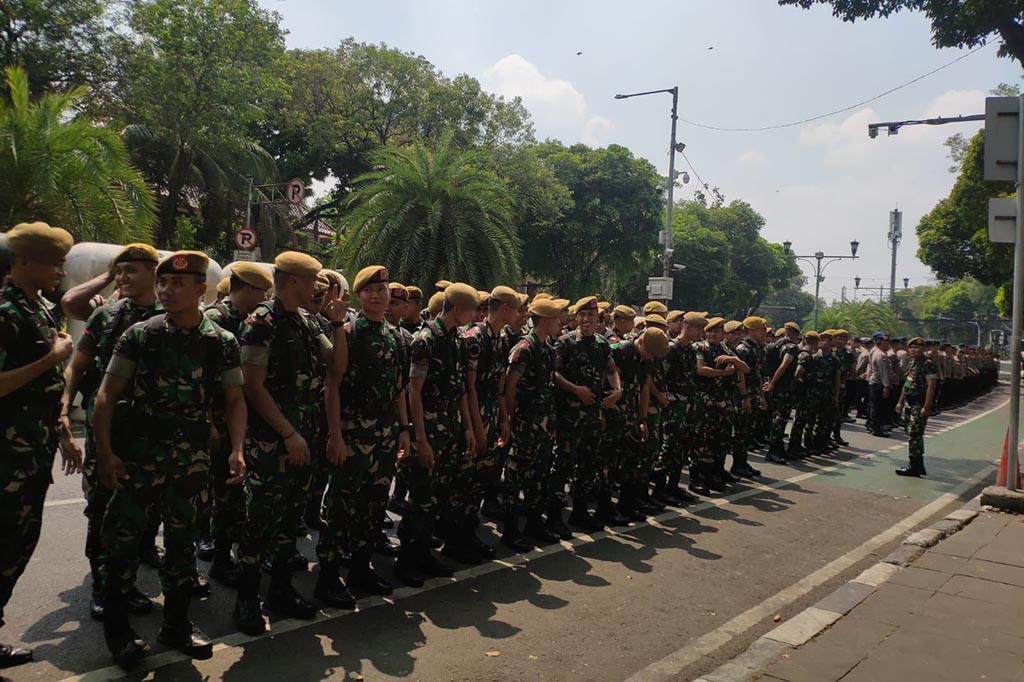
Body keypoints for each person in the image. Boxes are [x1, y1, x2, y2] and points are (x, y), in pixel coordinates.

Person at [93, 250, 247, 666]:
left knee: (182, 546)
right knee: (121, 546)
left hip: (191, 461)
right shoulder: (141, 335)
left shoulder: (222, 342)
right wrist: (106, 454)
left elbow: (235, 400)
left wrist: (236, 449)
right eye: (163, 283)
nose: (167, 290)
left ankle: (176, 625)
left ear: (201, 289)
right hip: (139, 457)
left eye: (178, 283)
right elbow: (106, 397)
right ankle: (118, 632)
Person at [233, 251, 347, 636]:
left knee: (289, 521)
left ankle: (280, 590)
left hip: (305, 438)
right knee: (258, 522)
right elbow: (252, 385)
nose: (317, 288)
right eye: (312, 280)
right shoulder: (261, 322)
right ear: (294, 281)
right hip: (272, 442)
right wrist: (287, 433)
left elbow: (337, 367)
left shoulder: (308, 321)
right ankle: (247, 598)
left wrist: (336, 323)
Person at [60, 243, 163, 620]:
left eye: (132, 270)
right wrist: (65, 404)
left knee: (140, 511)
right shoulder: (106, 316)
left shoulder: (171, 315)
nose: (124, 277)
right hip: (108, 427)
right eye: (120, 271)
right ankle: (102, 584)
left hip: (150, 431)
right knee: (101, 506)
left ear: (154, 272)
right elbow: (78, 364)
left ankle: (126, 582)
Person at [0, 222, 78, 677]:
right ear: (24, 261)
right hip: (6, 457)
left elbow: (46, 389)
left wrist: (63, 429)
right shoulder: (6, 312)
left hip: (31, 452)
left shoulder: (37, 310)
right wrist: (51, 359)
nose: (59, 271)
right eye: (53, 263)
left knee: (18, 546)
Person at [317, 266, 411, 602]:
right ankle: (327, 576)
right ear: (359, 296)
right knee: (341, 505)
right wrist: (334, 435)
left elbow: (400, 388)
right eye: (369, 290)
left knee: (374, 504)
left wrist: (404, 429)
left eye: (381, 289)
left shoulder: (397, 336)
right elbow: (333, 385)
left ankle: (360, 567)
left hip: (385, 437)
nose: (377, 295)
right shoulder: (350, 332)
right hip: (352, 434)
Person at [399, 283, 477, 581]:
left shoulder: (456, 339)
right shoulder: (425, 340)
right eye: (470, 309)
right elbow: (413, 394)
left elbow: (459, 390)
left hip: (449, 431)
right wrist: (420, 439)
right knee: (419, 500)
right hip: (428, 432)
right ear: (457, 309)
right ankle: (406, 561)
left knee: (438, 498)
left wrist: (467, 427)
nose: (473, 315)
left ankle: (424, 556)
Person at [202, 263, 272, 587]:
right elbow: (201, 379)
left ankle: (223, 554)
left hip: (241, 421)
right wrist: (207, 422)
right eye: (260, 292)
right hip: (218, 421)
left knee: (235, 496)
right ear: (246, 289)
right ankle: (217, 558)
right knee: (221, 495)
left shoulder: (247, 321)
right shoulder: (216, 321)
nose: (263, 298)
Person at [553, 296, 621, 532]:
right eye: (582, 315)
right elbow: (554, 374)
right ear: (575, 317)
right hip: (569, 415)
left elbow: (611, 370)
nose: (586, 320)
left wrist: (617, 390)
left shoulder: (602, 344)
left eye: (591, 316)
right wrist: (576, 390)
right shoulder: (565, 342)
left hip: (592, 415)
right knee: (561, 465)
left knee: (587, 465)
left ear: (597, 318)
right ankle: (554, 516)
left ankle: (580, 513)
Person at [460, 286, 520, 551]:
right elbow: (468, 387)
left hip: (492, 415)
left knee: (482, 477)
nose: (519, 315)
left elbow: (499, 385)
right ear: (505, 308)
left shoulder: (501, 338)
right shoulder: (475, 338)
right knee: (467, 480)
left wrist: (504, 420)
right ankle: (459, 538)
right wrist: (476, 426)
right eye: (516, 309)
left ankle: (468, 533)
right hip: (475, 418)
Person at [504, 297, 567, 548]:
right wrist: (510, 419)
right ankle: (510, 530)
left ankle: (533, 523)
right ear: (545, 321)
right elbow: (510, 387)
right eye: (556, 319)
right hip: (524, 425)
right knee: (514, 476)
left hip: (543, 426)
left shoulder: (548, 348)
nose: (560, 323)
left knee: (538, 476)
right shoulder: (524, 348)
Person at [654, 312, 705, 499]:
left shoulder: (690, 350)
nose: (701, 332)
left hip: (686, 405)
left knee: (681, 447)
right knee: (668, 447)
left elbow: (691, 377)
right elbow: (660, 377)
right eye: (698, 328)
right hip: (672, 406)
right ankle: (659, 489)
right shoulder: (672, 348)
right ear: (687, 327)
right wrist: (663, 398)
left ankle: (673, 485)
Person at [895, 337, 938, 477]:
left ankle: (915, 465)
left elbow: (931, 386)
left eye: (917, 347)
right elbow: (906, 384)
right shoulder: (912, 363)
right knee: (912, 433)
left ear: (924, 349)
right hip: (909, 402)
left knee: (915, 434)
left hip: (919, 403)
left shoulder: (928, 364)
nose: (913, 350)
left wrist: (927, 406)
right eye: (911, 347)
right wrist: (900, 402)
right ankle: (917, 465)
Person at [764, 322, 801, 462]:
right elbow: (784, 365)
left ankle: (778, 449)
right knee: (780, 419)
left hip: (775, 387)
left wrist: (770, 381)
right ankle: (774, 451)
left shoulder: (775, 345)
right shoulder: (791, 347)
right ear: (796, 334)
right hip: (783, 388)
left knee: (777, 417)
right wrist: (773, 382)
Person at [867, 332, 892, 437]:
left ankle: (872, 425)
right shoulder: (880, 355)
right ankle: (876, 428)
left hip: (874, 382)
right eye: (886, 342)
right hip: (878, 383)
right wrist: (886, 386)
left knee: (874, 406)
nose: (888, 344)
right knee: (878, 407)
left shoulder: (874, 351)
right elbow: (884, 372)